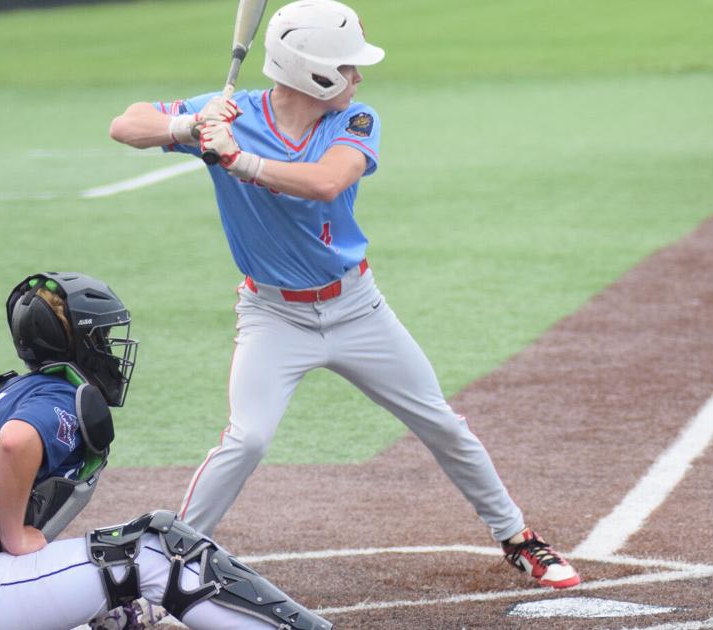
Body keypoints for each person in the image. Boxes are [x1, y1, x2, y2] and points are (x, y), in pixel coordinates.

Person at [107, 0, 580, 589]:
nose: (358, 78)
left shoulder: (353, 121)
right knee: (247, 438)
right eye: (349, 68)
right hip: (272, 315)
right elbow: (125, 124)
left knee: (441, 423)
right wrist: (188, 128)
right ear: (314, 71)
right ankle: (168, 564)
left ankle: (518, 538)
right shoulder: (225, 113)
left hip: (358, 309)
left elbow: (326, 183)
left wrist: (235, 156)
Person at [0, 272, 332, 630]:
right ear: (77, 345)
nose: (109, 350)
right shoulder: (60, 396)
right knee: (156, 548)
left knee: (109, 601)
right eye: (100, 338)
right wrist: (14, 535)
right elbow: (17, 442)